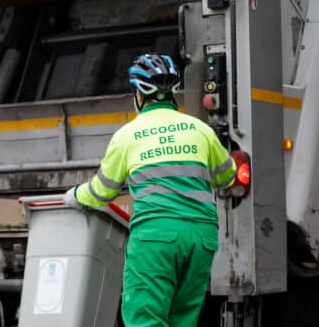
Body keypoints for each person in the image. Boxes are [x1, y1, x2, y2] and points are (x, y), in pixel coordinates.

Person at [64, 53, 236, 326]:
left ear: (140, 95)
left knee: (145, 318)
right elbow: (228, 177)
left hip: (156, 237)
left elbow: (101, 192)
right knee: (182, 320)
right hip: (201, 239)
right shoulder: (200, 130)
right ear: (171, 93)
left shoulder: (127, 136)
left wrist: (74, 196)